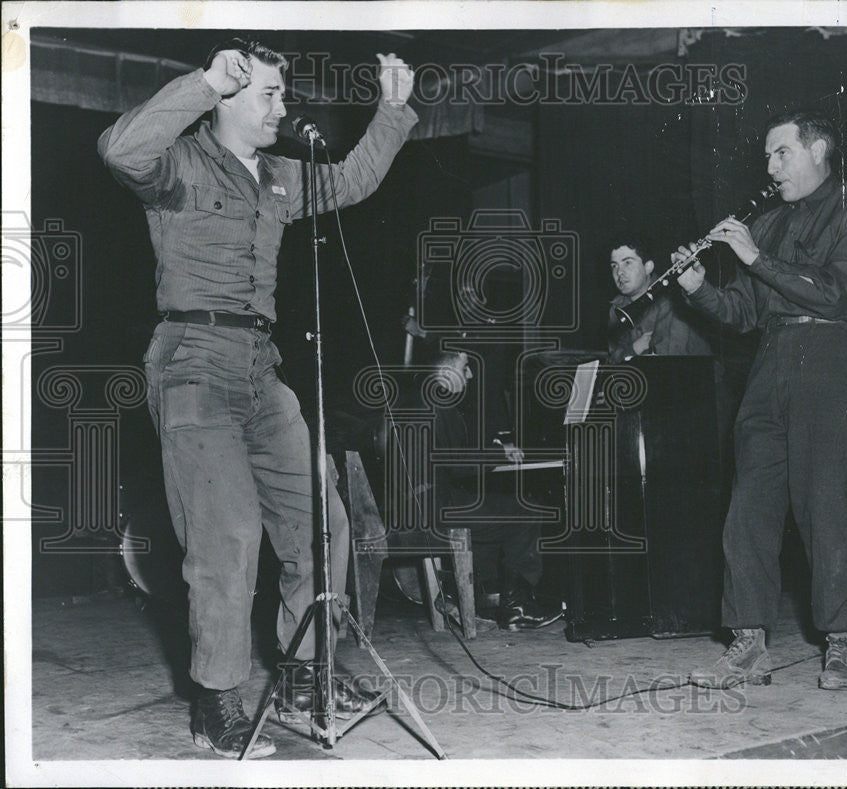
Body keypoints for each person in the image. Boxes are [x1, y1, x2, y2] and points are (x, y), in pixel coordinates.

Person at [98, 38, 417, 757]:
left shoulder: (279, 175)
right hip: (192, 364)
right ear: (229, 100)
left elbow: (355, 180)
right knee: (229, 534)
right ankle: (217, 700)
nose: (282, 107)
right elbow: (121, 151)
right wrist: (202, 81)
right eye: (268, 94)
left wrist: (391, 112)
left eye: (282, 94)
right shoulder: (178, 163)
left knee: (320, 520)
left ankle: (305, 673)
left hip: (260, 366)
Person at [676, 109, 847, 691]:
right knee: (749, 508)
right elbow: (743, 315)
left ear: (818, 150)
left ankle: (843, 647)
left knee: (831, 507)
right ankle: (748, 645)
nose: (769, 168)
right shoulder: (766, 225)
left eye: (781, 153)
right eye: (768, 157)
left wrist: (752, 257)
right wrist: (697, 290)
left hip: (835, 357)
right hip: (772, 365)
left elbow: (836, 293)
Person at [415, 349, 564, 630]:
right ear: (445, 371)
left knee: (493, 511)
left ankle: (454, 593)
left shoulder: (421, 399)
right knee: (525, 511)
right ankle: (516, 607)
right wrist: (499, 453)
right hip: (437, 508)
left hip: (421, 502)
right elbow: (457, 463)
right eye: (465, 367)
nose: (469, 375)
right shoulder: (437, 403)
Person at [607, 238, 713, 363]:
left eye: (628, 263)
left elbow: (667, 362)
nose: (619, 272)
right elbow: (612, 360)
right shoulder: (617, 308)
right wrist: (635, 348)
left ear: (648, 267)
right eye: (614, 265)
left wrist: (628, 354)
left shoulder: (672, 301)